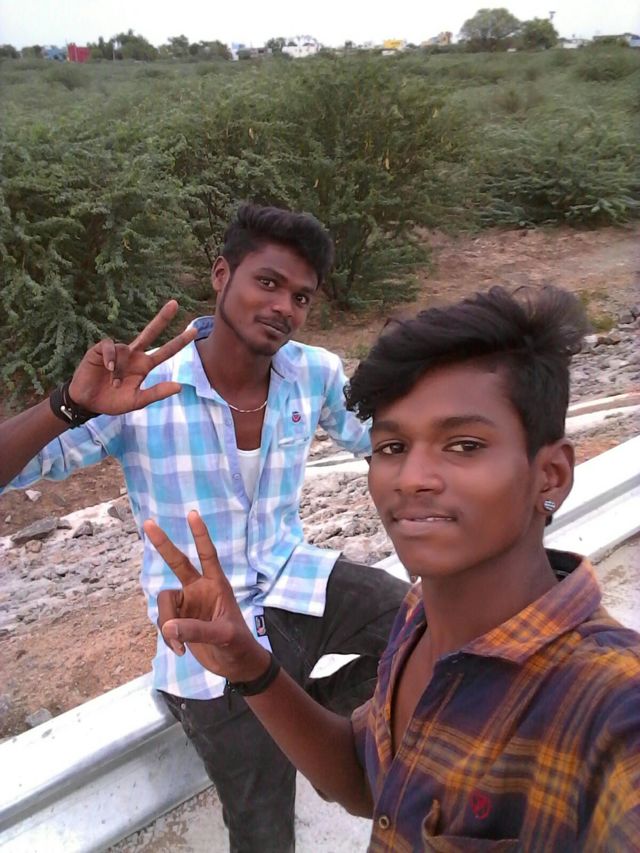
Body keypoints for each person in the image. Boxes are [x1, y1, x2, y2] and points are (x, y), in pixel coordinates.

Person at [145, 285, 640, 851]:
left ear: (550, 475)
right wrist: (248, 665)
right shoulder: (418, 619)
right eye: (392, 448)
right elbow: (366, 781)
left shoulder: (612, 711)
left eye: (464, 445)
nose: (412, 479)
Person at [0, 204, 409, 852]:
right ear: (221, 275)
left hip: (295, 580)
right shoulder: (144, 389)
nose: (283, 306)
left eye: (301, 296)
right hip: (204, 626)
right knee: (265, 826)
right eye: (267, 282)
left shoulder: (314, 373)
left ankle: (302, 711)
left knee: (434, 631)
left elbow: (383, 442)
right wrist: (69, 405)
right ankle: (280, 722)